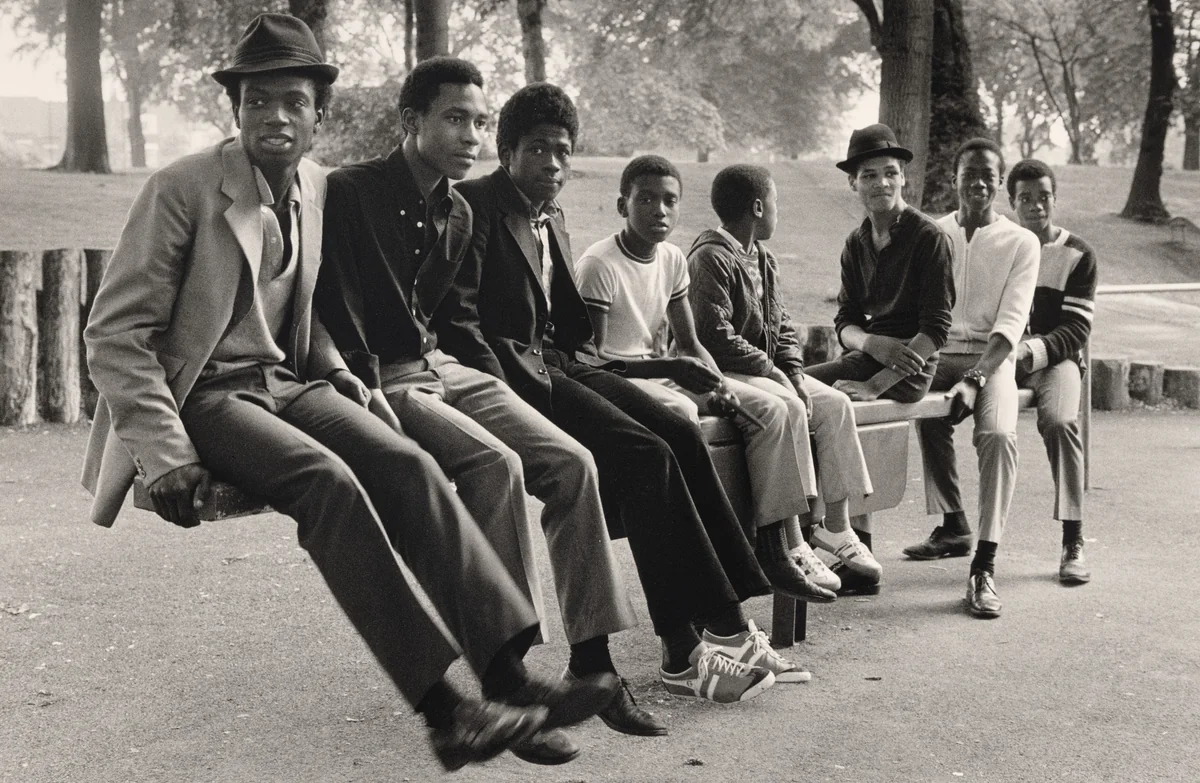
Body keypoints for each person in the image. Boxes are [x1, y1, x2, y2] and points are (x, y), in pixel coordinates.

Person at [79, 15, 615, 773]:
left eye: (293, 102)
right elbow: (114, 333)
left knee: (409, 465)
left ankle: (505, 674)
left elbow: (309, 313)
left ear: (318, 114)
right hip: (206, 394)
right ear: (235, 108)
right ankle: (446, 712)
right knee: (328, 483)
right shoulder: (182, 189)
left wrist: (340, 377)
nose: (276, 117)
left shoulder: (316, 187)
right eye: (258, 101)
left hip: (288, 381)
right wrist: (163, 453)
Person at [314, 57, 643, 759]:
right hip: (382, 376)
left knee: (569, 459)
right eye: (455, 118)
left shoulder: (458, 211)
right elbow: (338, 313)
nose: (472, 135)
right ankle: (509, 674)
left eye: (480, 121)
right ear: (410, 123)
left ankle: (593, 657)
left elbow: (441, 320)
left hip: (441, 366)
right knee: (493, 465)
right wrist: (369, 388)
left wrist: (484, 382)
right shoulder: (352, 192)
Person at [452, 83, 819, 704]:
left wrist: (653, 373)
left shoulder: (553, 215)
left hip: (566, 365)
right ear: (505, 149)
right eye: (537, 149)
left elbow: (569, 331)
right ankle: (685, 650)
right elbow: (465, 326)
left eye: (564, 153)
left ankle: (731, 626)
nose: (553, 164)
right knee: (642, 455)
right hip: (519, 377)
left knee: (679, 432)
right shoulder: (475, 206)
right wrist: (517, 394)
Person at [574, 154, 842, 595]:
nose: (659, 210)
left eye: (669, 201)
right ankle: (705, 549)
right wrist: (676, 370)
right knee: (684, 414)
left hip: (663, 371)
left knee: (773, 409)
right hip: (618, 379)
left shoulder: (673, 259)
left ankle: (777, 547)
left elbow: (692, 343)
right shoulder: (599, 264)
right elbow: (593, 358)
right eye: (645, 199)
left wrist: (718, 383)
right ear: (622, 206)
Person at [687, 164, 882, 592]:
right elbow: (712, 335)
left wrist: (792, 371)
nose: (779, 211)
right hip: (728, 371)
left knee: (834, 404)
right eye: (776, 202)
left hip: (766, 370)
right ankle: (792, 543)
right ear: (758, 207)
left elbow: (784, 326)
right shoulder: (710, 258)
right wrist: (774, 371)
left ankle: (835, 525)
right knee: (790, 406)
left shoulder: (764, 258)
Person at [803, 124, 955, 589]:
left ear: (904, 178)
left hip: (910, 371)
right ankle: (824, 534)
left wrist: (874, 385)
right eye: (869, 175)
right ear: (854, 183)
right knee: (793, 390)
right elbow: (846, 321)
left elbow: (936, 330)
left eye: (890, 174)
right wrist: (871, 344)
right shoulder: (856, 244)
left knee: (805, 396)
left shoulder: (928, 238)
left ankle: (823, 533)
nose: (881, 184)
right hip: (868, 355)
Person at [901, 138, 1039, 619]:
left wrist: (976, 378)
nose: (978, 182)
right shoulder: (933, 233)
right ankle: (952, 523)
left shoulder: (1022, 242)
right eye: (969, 173)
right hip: (937, 351)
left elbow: (1011, 325)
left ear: (1000, 183)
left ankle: (984, 563)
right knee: (917, 409)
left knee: (999, 434)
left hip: (991, 357)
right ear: (954, 179)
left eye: (988, 174)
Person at [1007, 158, 1096, 584]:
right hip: (1000, 355)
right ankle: (953, 524)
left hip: (1054, 360)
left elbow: (1077, 328)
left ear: (1054, 199)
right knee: (939, 403)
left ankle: (1073, 539)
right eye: (1026, 198)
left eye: (1044, 197)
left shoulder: (1077, 254)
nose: (1036, 206)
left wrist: (1032, 351)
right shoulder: (1001, 244)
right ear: (1012, 203)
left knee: (1060, 421)